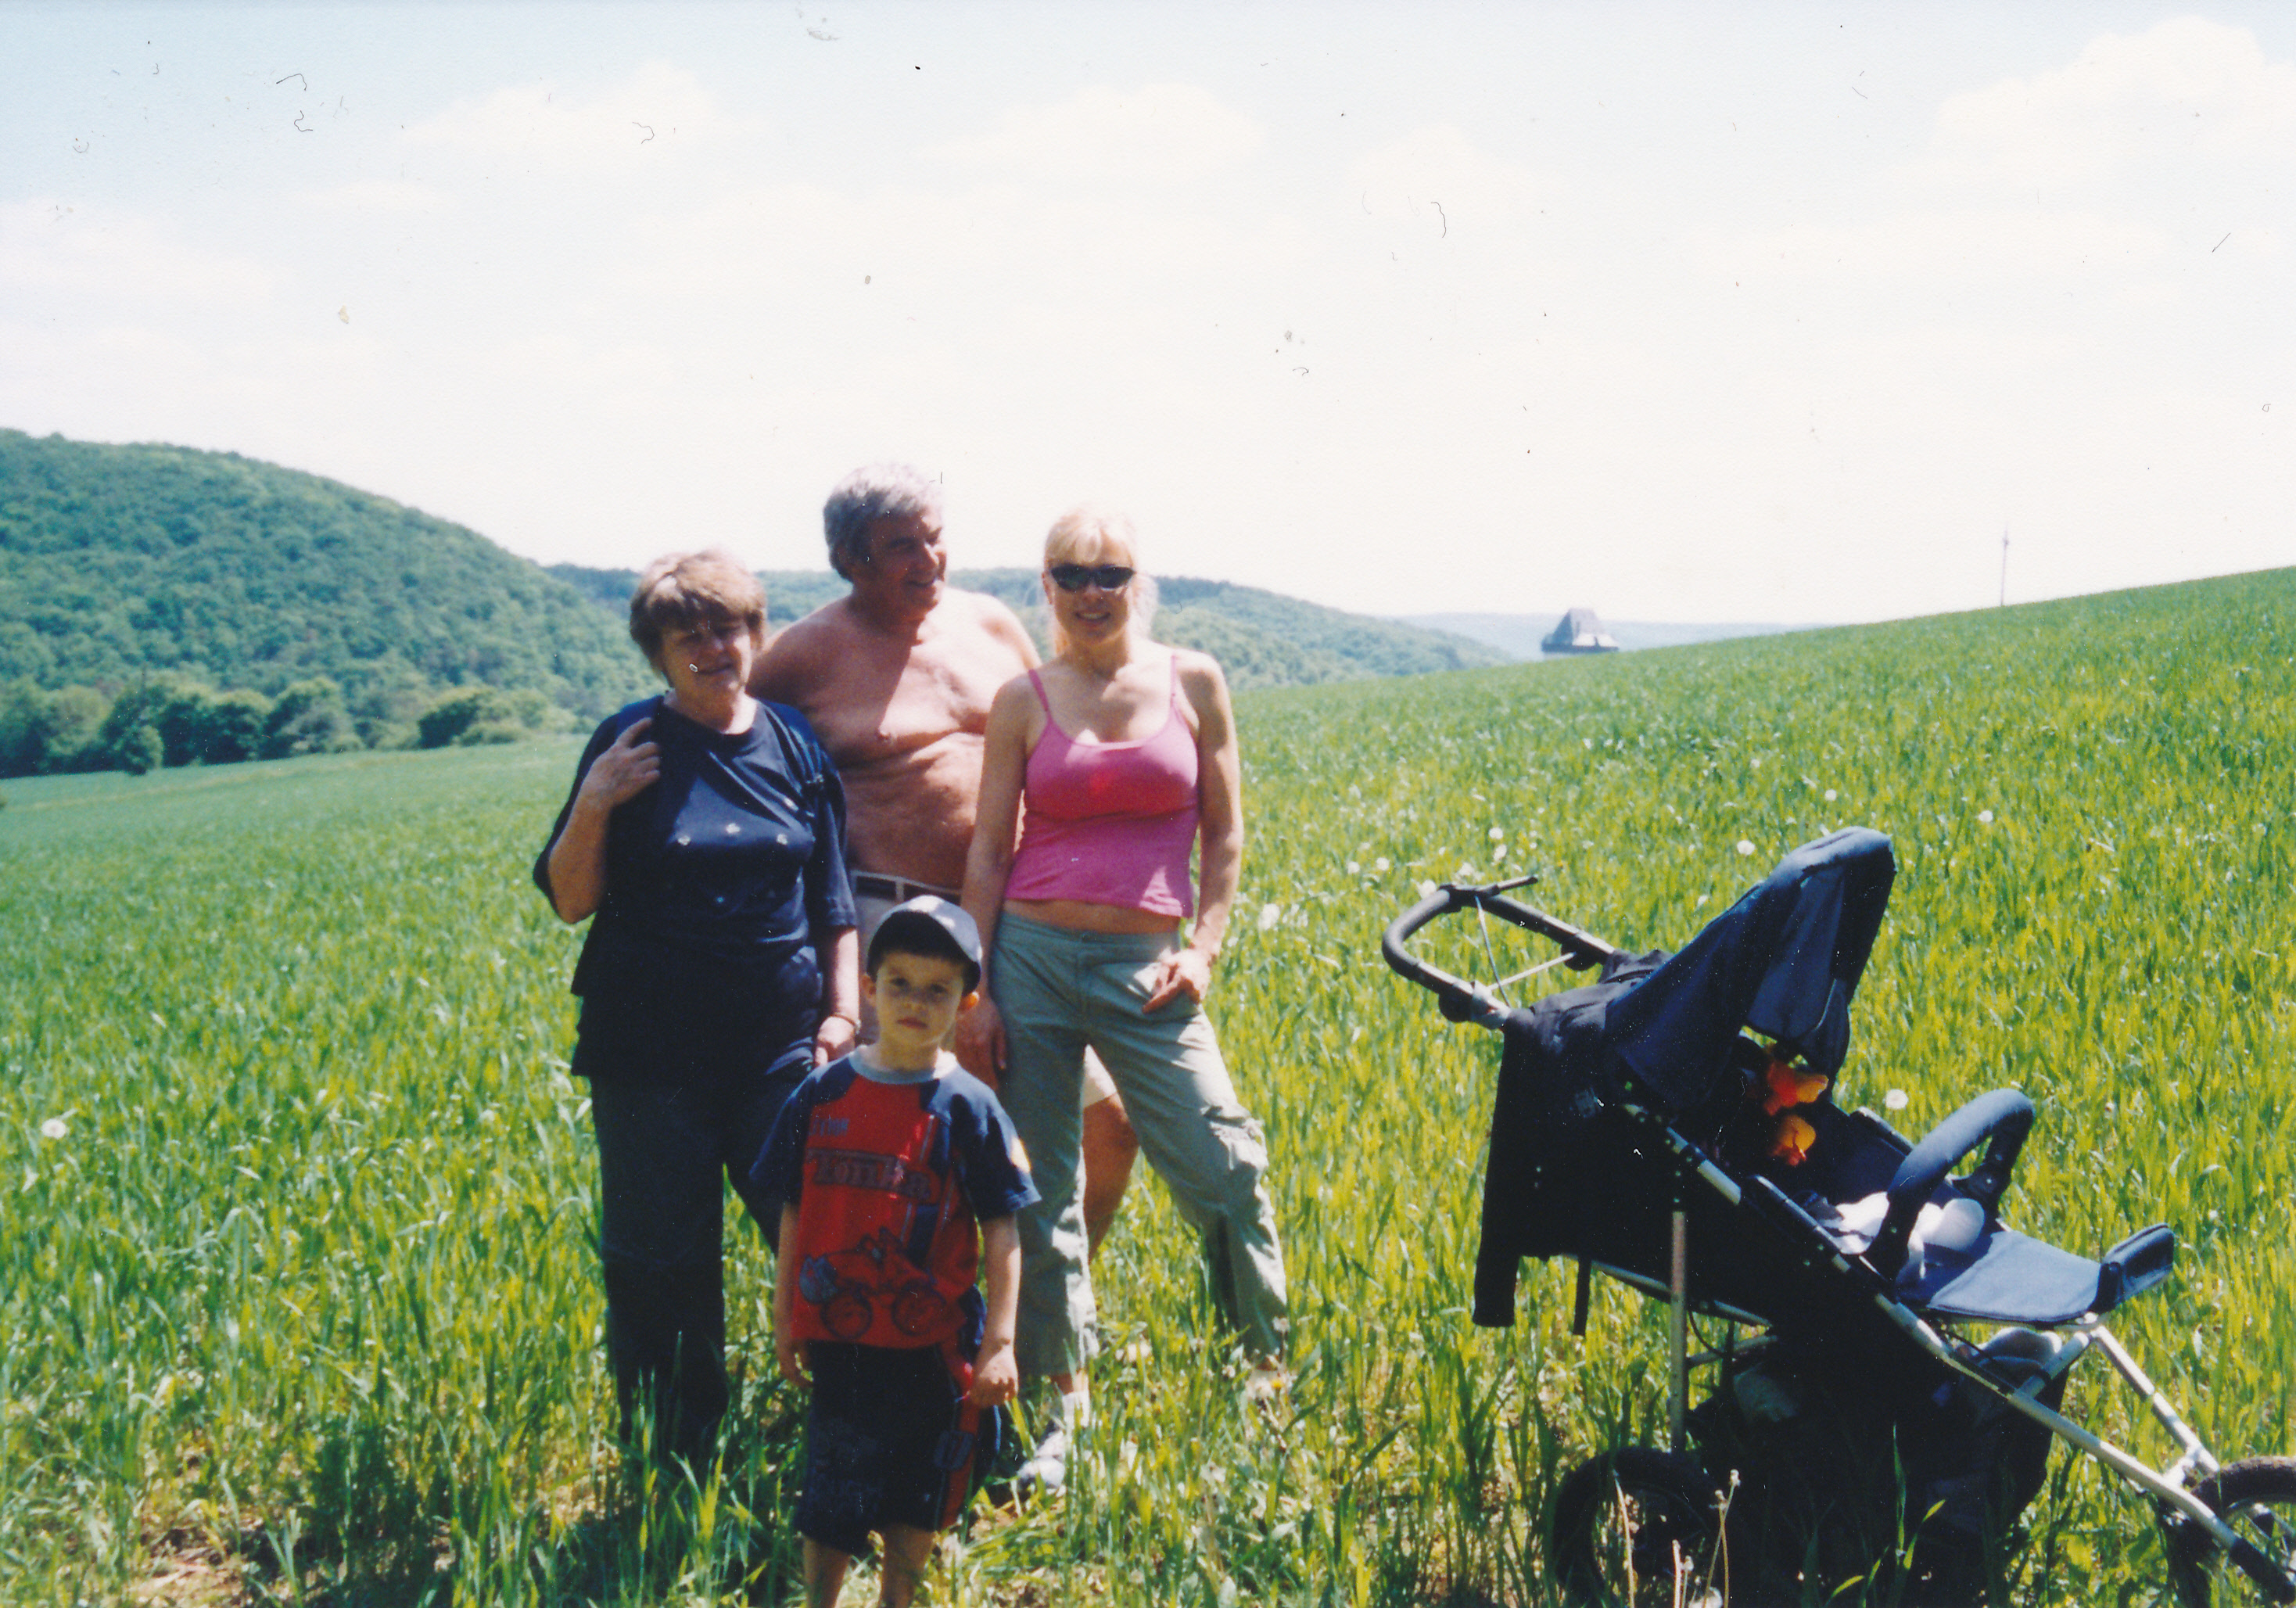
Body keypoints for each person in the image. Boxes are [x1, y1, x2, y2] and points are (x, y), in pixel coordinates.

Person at [959, 506, 1288, 1496]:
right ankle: (1064, 1409)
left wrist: (1205, 950)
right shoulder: (1021, 700)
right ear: (1047, 587)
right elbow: (988, 848)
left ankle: (1262, 1382)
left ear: (1137, 584)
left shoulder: (1194, 681)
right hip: (1029, 961)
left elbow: (1225, 833)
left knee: (1225, 1164)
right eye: (1071, 574)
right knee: (1040, 1189)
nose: (1091, 591)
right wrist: (976, 988)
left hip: (1148, 967)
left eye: (1110, 573)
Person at [753, 463, 1139, 1254]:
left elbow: (1065, 720)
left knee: (1110, 1127)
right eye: (901, 546)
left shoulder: (990, 624)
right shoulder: (800, 657)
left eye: (934, 538)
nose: (928, 559)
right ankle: (908, 1311)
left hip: (1016, 916)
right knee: (912, 1146)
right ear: (850, 560)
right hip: (892, 927)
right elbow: (734, 749)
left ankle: (1042, 1300)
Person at [535, 549, 859, 1468]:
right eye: (689, 636)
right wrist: (594, 803)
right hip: (648, 1056)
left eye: (728, 628)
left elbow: (832, 898)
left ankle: (855, 1430)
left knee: (821, 1236)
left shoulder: (792, 742)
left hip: (780, 1051)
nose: (714, 648)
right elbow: (569, 900)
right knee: (661, 1266)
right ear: (658, 653)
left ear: (755, 633)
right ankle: (675, 1465)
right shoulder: (629, 740)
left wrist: (841, 1016)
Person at [752, 897, 1035, 1608]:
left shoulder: (969, 1106)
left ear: (966, 1004)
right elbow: (793, 1211)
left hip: (932, 1345)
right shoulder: (822, 1093)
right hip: (841, 1343)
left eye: (937, 989)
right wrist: (785, 1315)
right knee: (832, 1491)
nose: (915, 1001)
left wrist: (1000, 1343)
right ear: (869, 987)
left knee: (919, 1490)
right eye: (899, 982)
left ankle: (895, 1600)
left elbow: (1004, 1229)